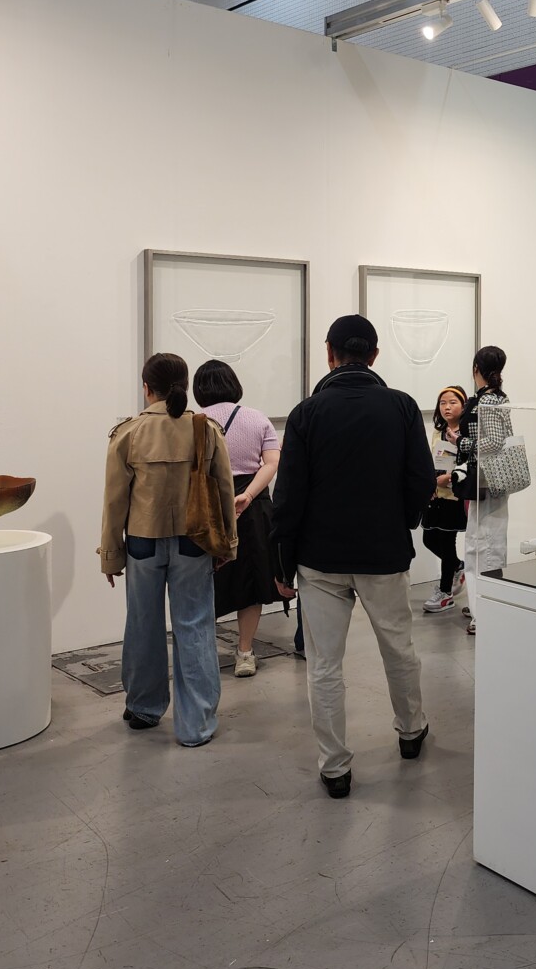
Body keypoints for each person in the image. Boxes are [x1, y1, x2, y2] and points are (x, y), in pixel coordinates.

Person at [271, 315, 436, 798]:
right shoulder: (402, 406)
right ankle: (411, 731)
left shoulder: (306, 413)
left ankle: (335, 766)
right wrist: (401, 520)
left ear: (330, 353)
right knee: (398, 648)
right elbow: (421, 479)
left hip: (319, 558)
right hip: (383, 553)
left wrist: (282, 562)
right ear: (374, 355)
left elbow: (289, 496)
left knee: (324, 663)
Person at [99, 352, 236, 747]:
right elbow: (224, 491)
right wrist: (227, 544)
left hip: (143, 541)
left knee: (143, 623)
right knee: (194, 626)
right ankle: (196, 725)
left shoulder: (129, 433)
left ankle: (144, 707)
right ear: (185, 385)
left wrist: (111, 555)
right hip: (194, 541)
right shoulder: (205, 429)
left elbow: (114, 502)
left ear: (147, 388)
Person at [193, 360, 285, 678]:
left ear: (199, 388)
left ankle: (202, 653)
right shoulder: (257, 418)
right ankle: (245, 652)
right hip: (253, 506)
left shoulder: (195, 422)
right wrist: (248, 495)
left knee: (205, 580)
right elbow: (272, 462)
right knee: (252, 579)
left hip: (207, 507)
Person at [452, 346, 512, 636]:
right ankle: (481, 605)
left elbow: (496, 442)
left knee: (483, 544)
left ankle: (485, 610)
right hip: (488, 479)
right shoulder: (496, 397)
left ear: (476, 367)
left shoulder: (487, 400)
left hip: (487, 479)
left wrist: (461, 443)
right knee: (482, 542)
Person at [422, 385, 469, 615]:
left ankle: (445, 593)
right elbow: (432, 460)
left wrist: (450, 478)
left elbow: (469, 464)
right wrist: (431, 482)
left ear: (463, 405)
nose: (447, 407)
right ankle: (458, 566)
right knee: (429, 538)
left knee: (447, 542)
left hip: (454, 496)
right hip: (436, 494)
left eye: (452, 402)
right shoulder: (437, 432)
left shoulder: (467, 434)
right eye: (443, 403)